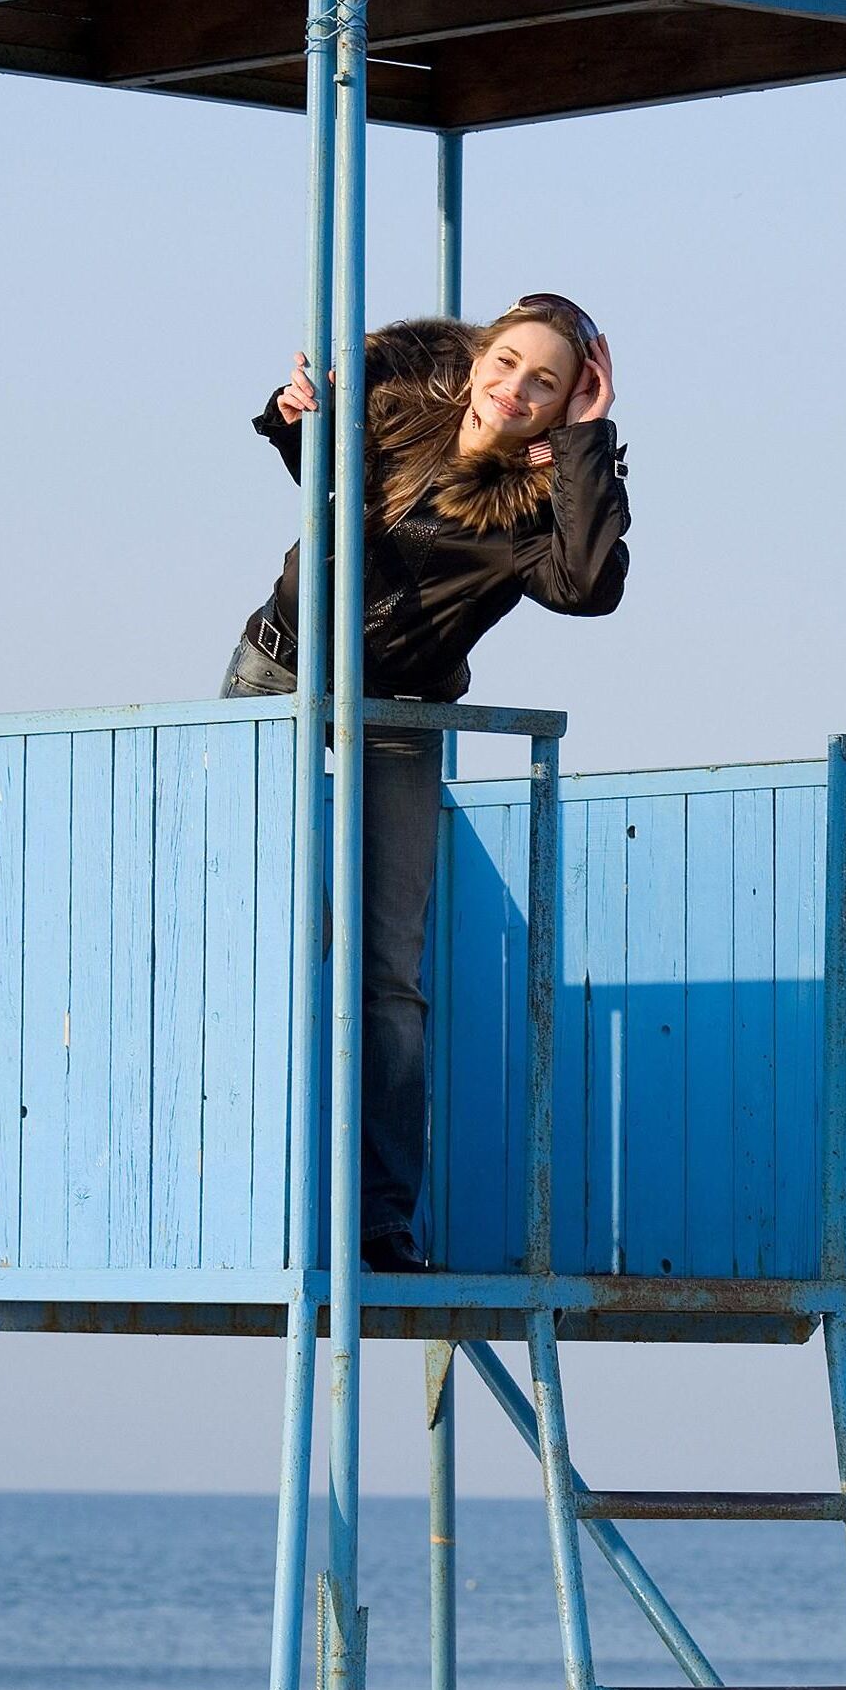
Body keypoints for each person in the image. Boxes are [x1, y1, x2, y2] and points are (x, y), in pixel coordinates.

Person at [220, 296, 629, 1273]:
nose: (516, 389)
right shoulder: (407, 406)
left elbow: (584, 585)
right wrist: (296, 412)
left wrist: (585, 442)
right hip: (282, 669)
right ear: (481, 355)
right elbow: (323, 477)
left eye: (547, 382)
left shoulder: (549, 492)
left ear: (571, 398)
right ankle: (237, 1192)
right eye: (508, 363)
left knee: (386, 971)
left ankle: (380, 1221)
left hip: (399, 711)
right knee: (238, 936)